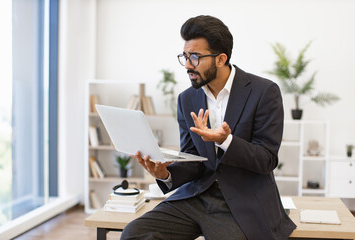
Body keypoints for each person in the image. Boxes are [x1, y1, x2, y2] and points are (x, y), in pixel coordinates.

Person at [121, 15, 296, 240]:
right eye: (185, 56)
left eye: (195, 57)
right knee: (134, 233)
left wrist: (225, 141)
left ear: (220, 59)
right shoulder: (187, 99)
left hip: (242, 200)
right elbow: (193, 159)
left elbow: (266, 159)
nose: (187, 65)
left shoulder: (264, 92)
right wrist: (165, 174)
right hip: (196, 196)